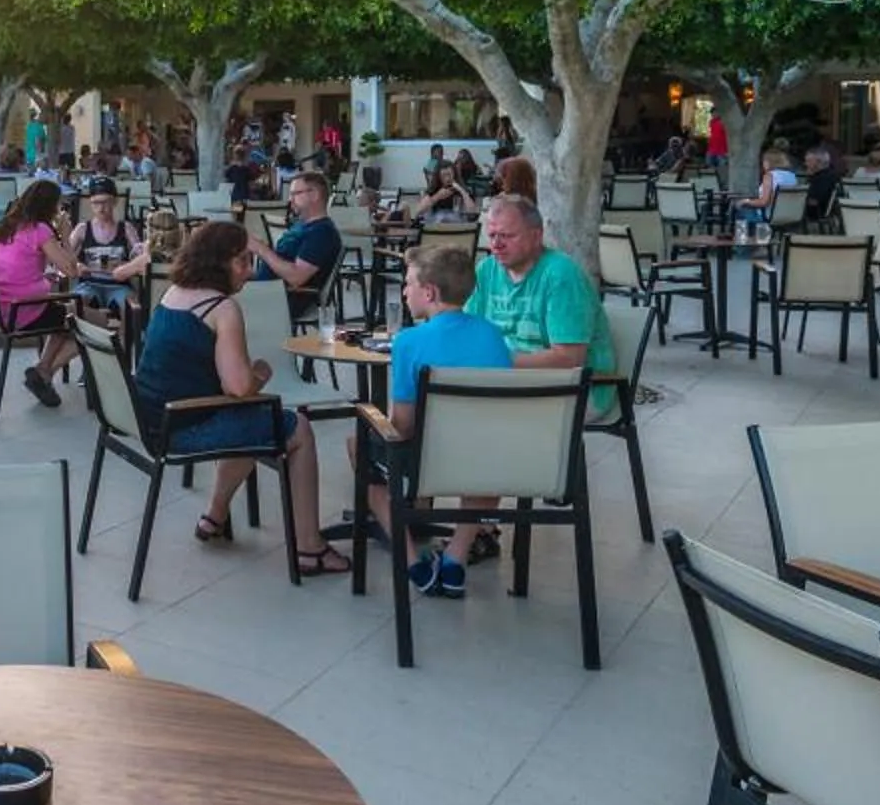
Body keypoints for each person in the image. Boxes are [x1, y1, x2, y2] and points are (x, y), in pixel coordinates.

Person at [131, 220, 343, 574]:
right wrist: (260, 372)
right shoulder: (222, 308)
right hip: (185, 427)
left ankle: (214, 516)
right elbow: (239, 387)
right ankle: (309, 547)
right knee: (297, 429)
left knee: (256, 420)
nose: (249, 271)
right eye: (243, 262)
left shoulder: (173, 293)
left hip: (149, 418)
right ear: (222, 262)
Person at [352, 244, 538, 599]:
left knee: (358, 447)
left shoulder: (408, 341)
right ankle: (455, 558)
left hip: (429, 462)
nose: (404, 291)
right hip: (488, 458)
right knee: (484, 454)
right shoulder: (491, 335)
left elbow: (402, 426)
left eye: (408, 283)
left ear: (430, 292)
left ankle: (410, 562)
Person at [468, 195, 616, 411]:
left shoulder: (561, 275)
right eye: (492, 235)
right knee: (434, 402)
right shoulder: (486, 270)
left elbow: (569, 359)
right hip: (508, 381)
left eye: (507, 236)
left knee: (467, 412)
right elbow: (470, 330)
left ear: (536, 236)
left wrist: (498, 362)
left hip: (574, 389)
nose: (496, 245)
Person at [0, 178, 77, 404]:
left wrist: (40, 278)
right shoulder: (41, 229)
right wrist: (65, 234)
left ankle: (43, 371)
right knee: (87, 321)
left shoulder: (5, 225)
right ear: (50, 206)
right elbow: (71, 270)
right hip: (22, 310)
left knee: (68, 315)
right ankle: (44, 371)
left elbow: (14, 266)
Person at [249, 170, 343, 320]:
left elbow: (297, 277)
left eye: (295, 194)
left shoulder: (322, 233)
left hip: (279, 300)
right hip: (266, 292)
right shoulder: (302, 225)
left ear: (314, 195)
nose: (289, 199)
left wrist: (260, 249)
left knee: (213, 304)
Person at [64, 176, 150, 306]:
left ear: (114, 202)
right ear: (90, 204)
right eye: (96, 203)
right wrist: (77, 266)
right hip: (89, 284)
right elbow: (64, 257)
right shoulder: (82, 229)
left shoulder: (126, 228)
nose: (101, 208)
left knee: (131, 304)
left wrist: (128, 267)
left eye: (105, 202)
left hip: (118, 285)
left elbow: (141, 257)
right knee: (80, 300)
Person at [735, 145, 801, 230]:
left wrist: (746, 201)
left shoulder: (770, 176)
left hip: (770, 216)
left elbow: (764, 202)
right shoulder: (792, 176)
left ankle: (742, 242)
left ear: (767, 162)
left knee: (740, 209)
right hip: (791, 216)